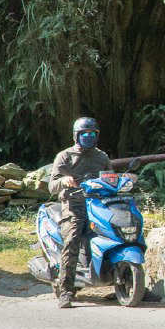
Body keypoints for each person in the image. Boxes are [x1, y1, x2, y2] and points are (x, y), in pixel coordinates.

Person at [47, 117, 112, 308]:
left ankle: (126, 280)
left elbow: (110, 179)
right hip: (74, 206)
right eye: (85, 133)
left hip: (99, 206)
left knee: (121, 233)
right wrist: (64, 180)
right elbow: (51, 186)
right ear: (77, 135)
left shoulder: (102, 157)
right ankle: (66, 291)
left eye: (93, 133)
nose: (89, 136)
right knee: (72, 240)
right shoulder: (65, 156)